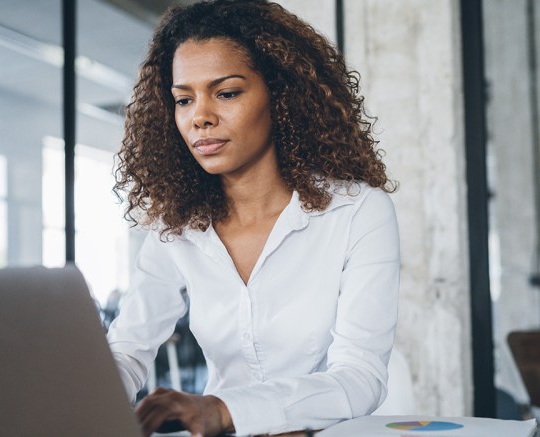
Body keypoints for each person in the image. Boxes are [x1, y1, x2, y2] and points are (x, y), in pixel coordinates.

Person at [108, 1, 400, 436]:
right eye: (183, 99)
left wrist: (226, 410)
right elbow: (129, 348)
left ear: (281, 95)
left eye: (226, 93)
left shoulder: (358, 211)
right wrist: (83, 395)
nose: (200, 118)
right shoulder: (179, 226)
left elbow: (360, 377)